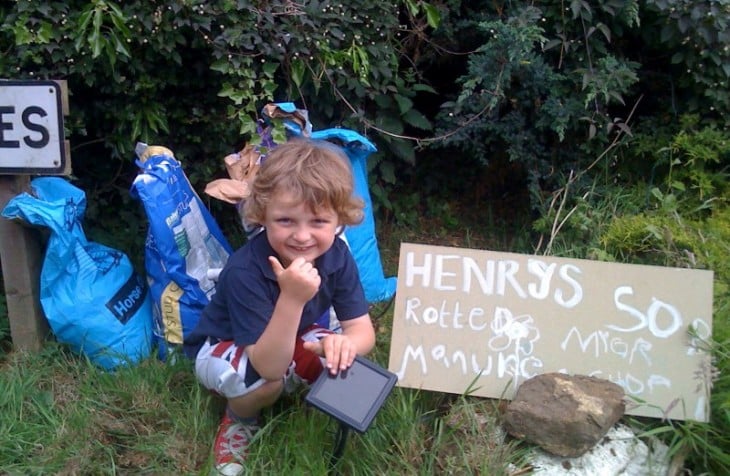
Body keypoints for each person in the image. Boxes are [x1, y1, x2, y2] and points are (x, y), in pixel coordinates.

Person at [183, 138, 376, 475]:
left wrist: (344, 342)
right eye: (286, 220)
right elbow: (269, 365)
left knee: (344, 359)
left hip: (289, 337)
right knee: (265, 382)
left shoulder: (337, 257)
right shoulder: (246, 270)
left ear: (339, 220)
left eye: (318, 222)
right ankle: (239, 419)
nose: (302, 237)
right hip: (229, 347)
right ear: (263, 215)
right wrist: (291, 297)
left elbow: (361, 329)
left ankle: (305, 392)